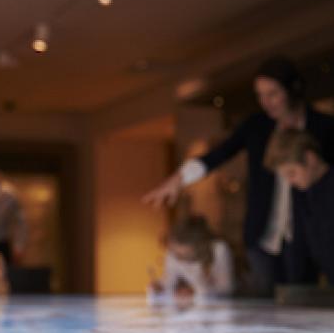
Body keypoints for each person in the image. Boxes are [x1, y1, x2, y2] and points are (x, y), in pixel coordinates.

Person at [143, 56, 334, 296]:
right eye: (260, 95)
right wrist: (179, 178)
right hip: (262, 234)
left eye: (272, 93)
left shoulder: (324, 127)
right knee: (263, 303)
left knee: (301, 301)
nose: (265, 102)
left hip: (307, 235)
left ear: (292, 89)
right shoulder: (256, 125)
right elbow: (220, 153)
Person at [264, 129, 334, 285]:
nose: (290, 181)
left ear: (310, 159)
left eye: (292, 173)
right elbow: (302, 243)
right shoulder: (302, 193)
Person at [147, 216, 235, 303]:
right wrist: (160, 287)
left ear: (198, 246)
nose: (177, 258)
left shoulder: (218, 249)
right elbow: (169, 281)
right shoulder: (172, 252)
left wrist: (195, 290)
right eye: (173, 252)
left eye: (183, 255)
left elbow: (225, 288)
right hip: (192, 306)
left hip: (217, 306)